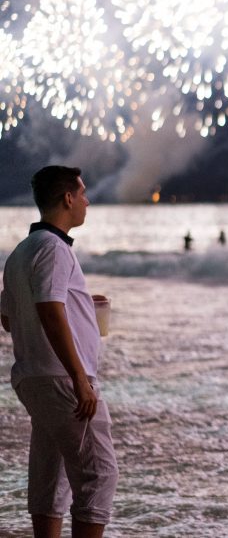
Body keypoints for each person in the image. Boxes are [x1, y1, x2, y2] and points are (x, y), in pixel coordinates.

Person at [0, 166, 119, 538]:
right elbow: (50, 311)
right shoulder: (54, 249)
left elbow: (9, 318)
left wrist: (80, 302)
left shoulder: (22, 251)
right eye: (82, 194)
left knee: (50, 475)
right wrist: (79, 378)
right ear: (67, 199)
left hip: (33, 377)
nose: (86, 201)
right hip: (61, 379)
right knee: (98, 474)